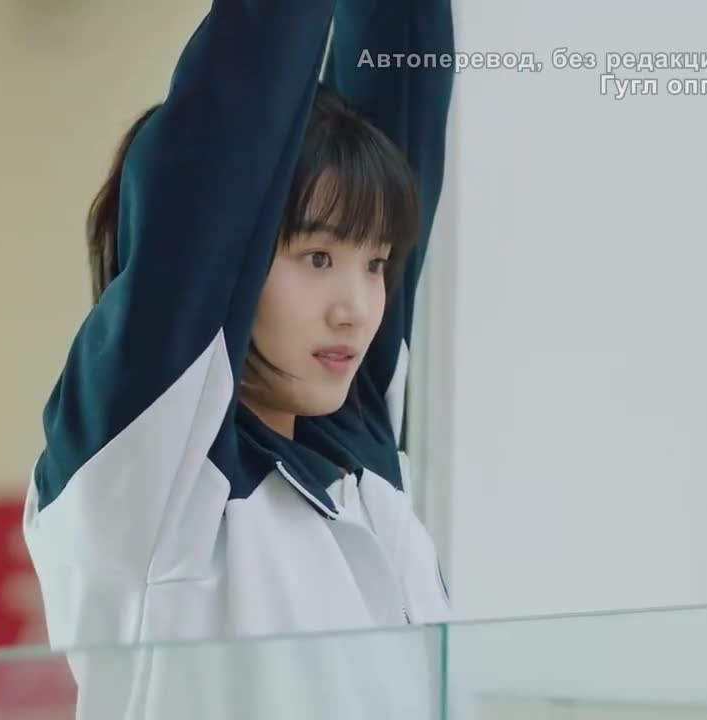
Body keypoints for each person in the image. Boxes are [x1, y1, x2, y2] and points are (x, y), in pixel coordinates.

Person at [24, 0, 454, 717]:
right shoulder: (152, 481)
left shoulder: (356, 448)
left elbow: (405, 71)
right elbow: (241, 104)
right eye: (317, 257)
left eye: (376, 263)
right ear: (235, 259)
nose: (355, 308)